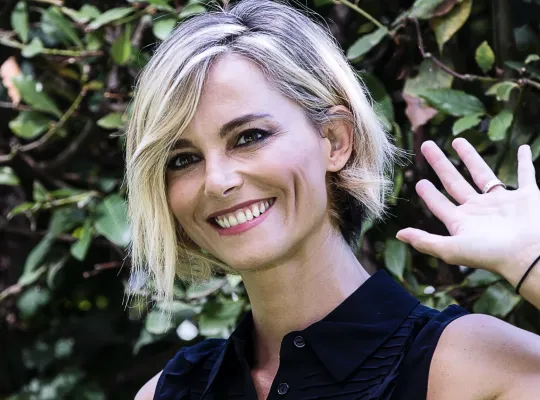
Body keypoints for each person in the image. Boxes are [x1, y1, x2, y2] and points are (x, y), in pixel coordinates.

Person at [125, 0, 540, 398]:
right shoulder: (168, 393)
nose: (216, 182)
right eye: (183, 159)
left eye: (249, 137)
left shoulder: (472, 366)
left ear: (335, 141)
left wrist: (533, 264)